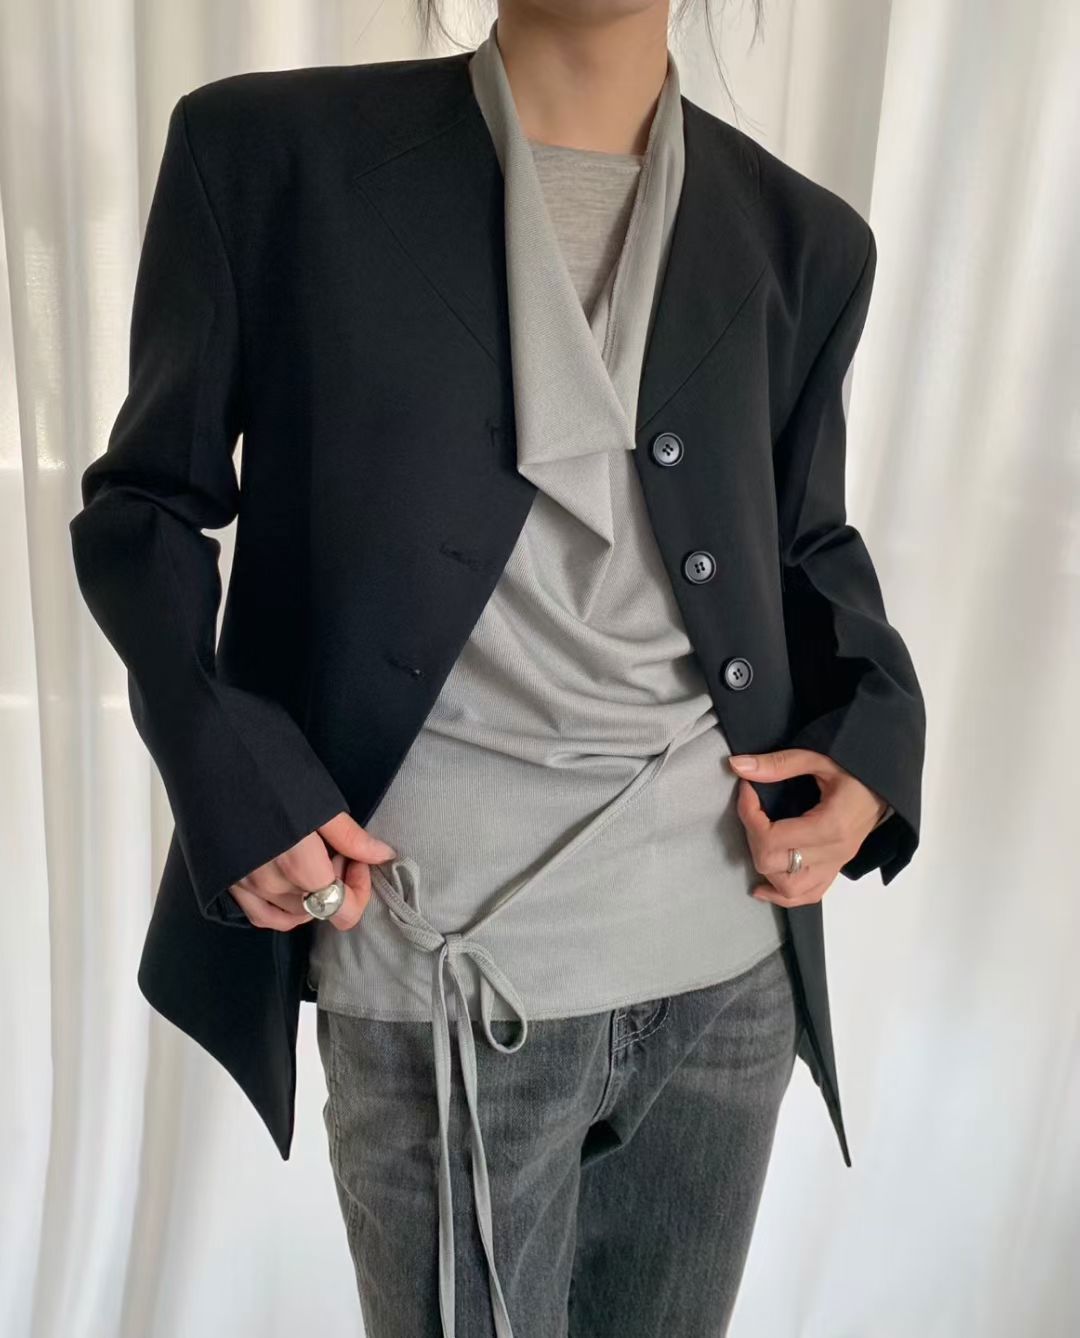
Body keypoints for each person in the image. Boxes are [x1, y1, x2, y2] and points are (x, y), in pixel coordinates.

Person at [68, 1, 926, 1335]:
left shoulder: (806, 239)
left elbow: (808, 542)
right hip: (445, 967)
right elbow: (144, 509)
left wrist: (879, 742)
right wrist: (233, 770)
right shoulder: (267, 159)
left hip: (725, 966)